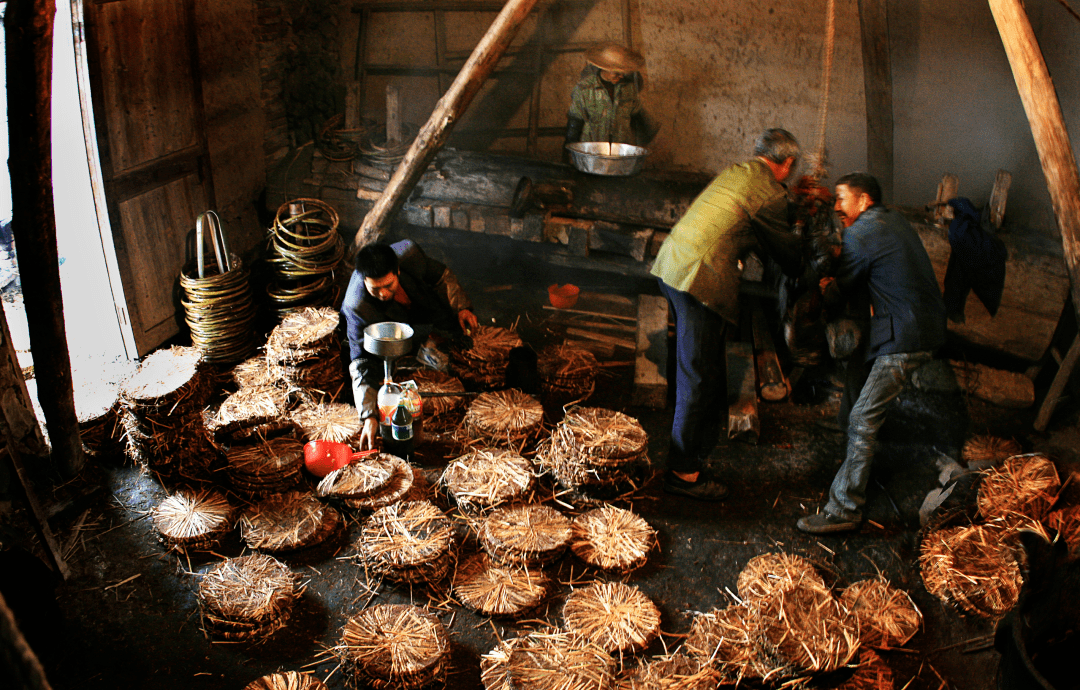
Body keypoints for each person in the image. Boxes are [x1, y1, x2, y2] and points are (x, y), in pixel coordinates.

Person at [650, 128, 804, 501]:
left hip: (673, 266)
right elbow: (789, 257)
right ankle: (682, 474)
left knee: (704, 370)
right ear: (786, 164)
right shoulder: (770, 194)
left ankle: (693, 454)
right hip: (699, 282)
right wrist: (808, 238)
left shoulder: (738, 173)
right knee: (698, 377)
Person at [796, 172, 947, 534]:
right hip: (919, 325)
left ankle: (845, 508)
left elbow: (842, 286)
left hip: (906, 336)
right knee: (857, 378)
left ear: (864, 201)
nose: (836, 207)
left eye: (841, 199)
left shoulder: (863, 232)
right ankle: (848, 440)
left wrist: (825, 288)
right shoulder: (892, 220)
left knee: (864, 417)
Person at [341, 240, 479, 450]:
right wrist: (369, 415)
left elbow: (442, 277)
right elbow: (361, 361)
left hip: (423, 306)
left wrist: (461, 307)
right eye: (375, 289)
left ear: (397, 270)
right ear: (364, 280)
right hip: (390, 330)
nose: (384, 294)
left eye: (388, 285)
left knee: (454, 336)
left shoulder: (409, 254)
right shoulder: (357, 307)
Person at [564, 42, 657, 153]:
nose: (621, 76)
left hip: (620, 152)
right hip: (592, 152)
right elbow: (575, 124)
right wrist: (568, 153)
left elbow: (638, 117)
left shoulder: (628, 89)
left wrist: (644, 141)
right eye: (617, 73)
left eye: (623, 72)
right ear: (605, 69)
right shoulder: (584, 89)